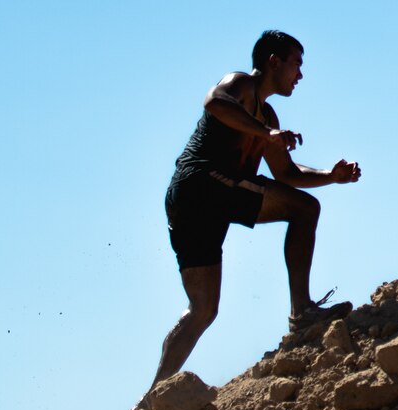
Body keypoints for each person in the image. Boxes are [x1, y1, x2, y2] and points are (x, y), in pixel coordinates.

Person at [150, 30, 362, 391]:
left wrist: (331, 176)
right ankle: (303, 314)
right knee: (305, 210)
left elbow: (287, 174)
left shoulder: (267, 117)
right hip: (202, 182)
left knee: (202, 309)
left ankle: (153, 397)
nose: (300, 74)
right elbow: (214, 102)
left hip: (194, 201)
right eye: (296, 63)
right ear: (273, 62)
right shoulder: (241, 85)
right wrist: (266, 134)